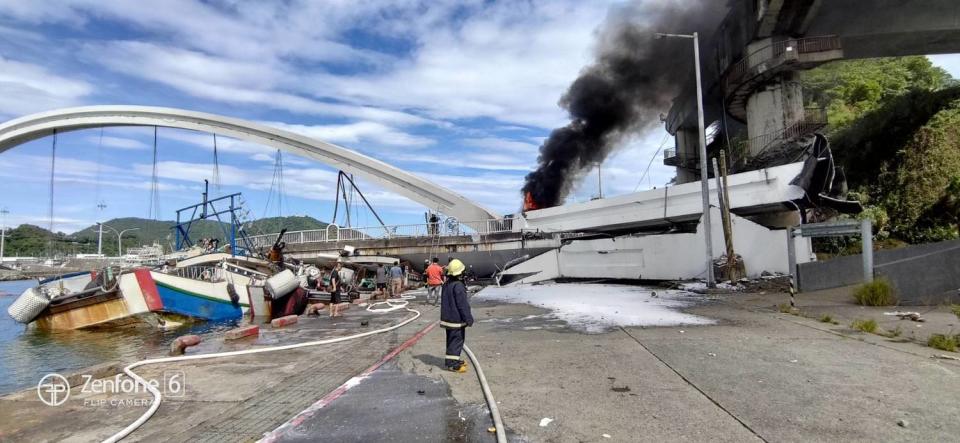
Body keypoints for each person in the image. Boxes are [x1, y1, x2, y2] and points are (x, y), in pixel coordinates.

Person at [440, 258, 473, 373]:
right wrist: (468, 319)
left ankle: (452, 360)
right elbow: (462, 305)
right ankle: (453, 364)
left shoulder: (446, 284)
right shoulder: (458, 286)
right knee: (457, 342)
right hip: (456, 320)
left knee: (451, 341)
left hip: (447, 319)